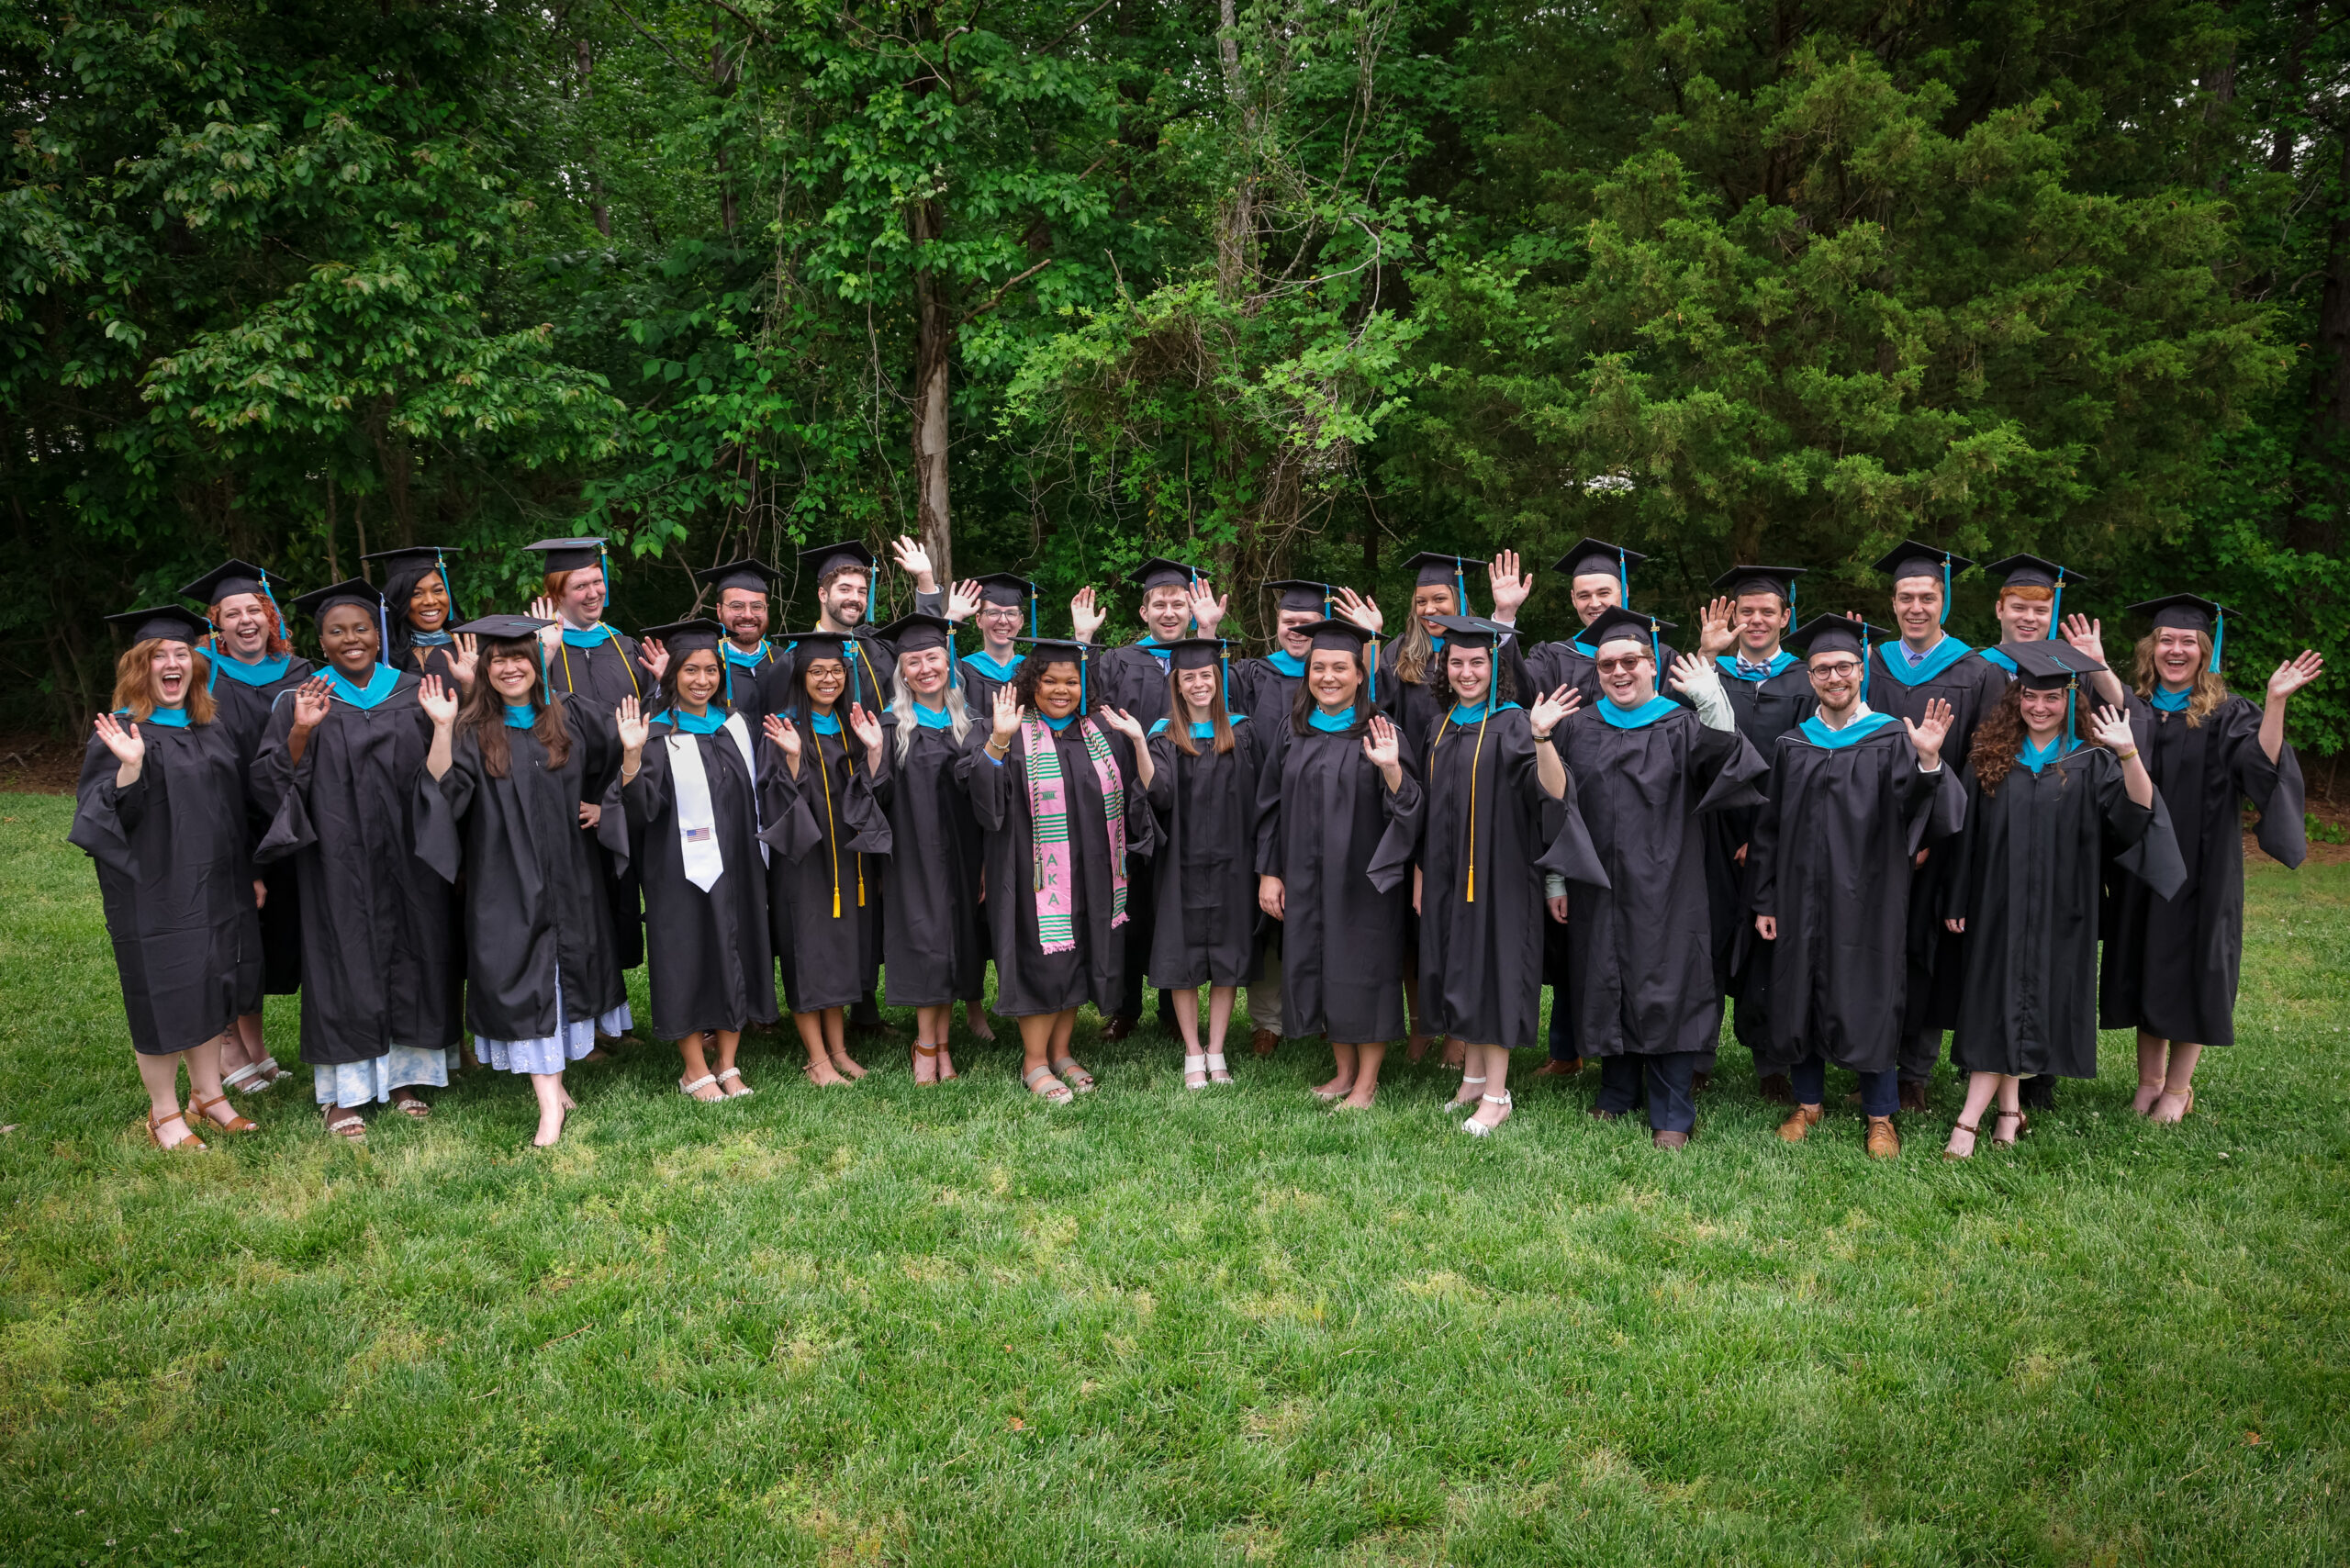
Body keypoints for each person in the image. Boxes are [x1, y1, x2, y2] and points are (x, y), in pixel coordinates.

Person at [1940, 643, 2185, 1157]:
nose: (2040, 707)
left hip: (2063, 907)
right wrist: (1957, 900)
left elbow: (2136, 815)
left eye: (2051, 699)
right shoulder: (1990, 758)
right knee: (1996, 1002)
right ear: (2017, 699)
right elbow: (1966, 839)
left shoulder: (2092, 760)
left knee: (2024, 1005)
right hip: (1995, 904)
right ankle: (1994, 1116)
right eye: (2030, 697)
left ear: (2070, 699)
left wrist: (2128, 752)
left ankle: (1993, 1117)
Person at [2095, 594, 2321, 1122]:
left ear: (2206, 650)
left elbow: (2261, 769)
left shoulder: (2228, 713)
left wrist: (2275, 703)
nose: (2177, 651)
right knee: (2148, 959)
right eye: (2167, 641)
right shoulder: (2138, 708)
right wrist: (2098, 663)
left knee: (2194, 964)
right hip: (2144, 859)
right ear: (2152, 649)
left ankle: (2178, 1089)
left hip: (2204, 864)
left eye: (2189, 643)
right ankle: (2148, 1082)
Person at [252, 579, 462, 1140]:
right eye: (337, 631)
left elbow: (446, 772)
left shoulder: (415, 691)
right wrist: (302, 729)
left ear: (379, 633)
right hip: (336, 858)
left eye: (361, 628)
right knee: (341, 958)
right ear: (320, 640)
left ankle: (404, 1080)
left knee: (414, 951)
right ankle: (341, 1096)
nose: (352, 639)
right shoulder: (304, 699)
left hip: (409, 853)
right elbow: (272, 781)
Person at [1746, 616, 1962, 1158]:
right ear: (1811, 677)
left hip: (1869, 896)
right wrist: (1766, 898)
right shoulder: (1793, 743)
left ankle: (1881, 1115)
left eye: (1844, 666)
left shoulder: (1892, 736)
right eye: (1822, 669)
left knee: (1870, 996)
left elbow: (1925, 813)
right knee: (1800, 993)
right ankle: (1808, 1102)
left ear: (1861, 671)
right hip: (1799, 896)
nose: (1834, 676)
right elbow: (1769, 828)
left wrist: (1930, 760)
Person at [416, 615, 631, 1147]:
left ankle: (553, 1090)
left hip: (570, 873)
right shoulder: (469, 729)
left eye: (519, 658)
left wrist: (608, 804)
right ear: (486, 670)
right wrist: (441, 728)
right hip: (505, 877)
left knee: (560, 977)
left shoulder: (572, 717)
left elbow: (621, 760)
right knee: (527, 978)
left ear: (537, 665)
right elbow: (443, 793)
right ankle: (549, 1105)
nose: (510, 668)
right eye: (498, 660)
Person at [1556, 607, 1767, 1148]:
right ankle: (1618, 1091)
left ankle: (1673, 1109)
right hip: (1598, 882)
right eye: (1607, 666)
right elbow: (1557, 804)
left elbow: (1725, 761)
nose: (1620, 672)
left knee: (1669, 986)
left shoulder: (1680, 725)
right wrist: (1557, 880)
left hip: (1668, 884)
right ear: (1596, 673)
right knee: (1606, 978)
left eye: (1631, 661)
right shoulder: (1579, 728)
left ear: (1652, 665)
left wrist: (1712, 696)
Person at [72, 604, 265, 1149]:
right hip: (154, 889)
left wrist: (249, 871)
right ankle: (164, 1112)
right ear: (139, 667)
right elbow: (98, 820)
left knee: (211, 984)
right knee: (163, 991)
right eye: (160, 656)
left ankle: (209, 1095)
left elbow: (237, 807)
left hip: (218, 883)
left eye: (182, 653)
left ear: (196, 664)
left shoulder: (212, 724)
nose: (173, 663)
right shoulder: (121, 732)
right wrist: (130, 767)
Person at [957, 639, 1158, 1103]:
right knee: (1044, 961)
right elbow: (982, 802)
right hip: (1035, 875)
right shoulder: (1007, 729)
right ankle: (1034, 1061)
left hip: (1091, 872)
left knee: (1077, 957)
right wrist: (1000, 740)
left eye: (1071, 681)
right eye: (1050, 681)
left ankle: (1062, 1051)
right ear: (1032, 684)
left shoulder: (1098, 734)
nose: (1061, 690)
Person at [1410, 616, 1588, 1135]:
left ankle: (1497, 1093)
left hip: (1501, 874)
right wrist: (1423, 873)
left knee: (1493, 972)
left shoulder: (1513, 723)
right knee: (1461, 968)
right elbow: (1429, 810)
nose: (1467, 672)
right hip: (1448, 875)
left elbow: (1554, 793)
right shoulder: (1439, 726)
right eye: (1457, 662)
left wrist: (1542, 738)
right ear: (1444, 667)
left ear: (1496, 666)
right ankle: (1470, 1076)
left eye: (1477, 663)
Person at [1864, 541, 2010, 1109]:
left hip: (1943, 838)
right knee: (1872, 947)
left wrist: (1932, 833)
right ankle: (1868, 1057)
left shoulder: (1977, 671)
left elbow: (1983, 760)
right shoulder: (1869, 664)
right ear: (1893, 603)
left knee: (1925, 953)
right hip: (1872, 837)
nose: (1916, 607)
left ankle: (1915, 1072)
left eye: (1927, 596)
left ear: (1943, 601)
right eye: (1906, 597)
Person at [1254, 620, 1424, 1107]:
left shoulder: (1380, 729)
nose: (1328, 676)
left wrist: (1391, 767)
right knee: (1322, 967)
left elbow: (1411, 808)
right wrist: (1270, 870)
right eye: (1319, 667)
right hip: (1305, 877)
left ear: (1358, 674)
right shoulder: (1295, 728)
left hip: (1363, 878)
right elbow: (1270, 806)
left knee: (1362, 971)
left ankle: (1367, 1083)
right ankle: (1343, 1070)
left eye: (1339, 668)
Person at [1974, 553, 2117, 1109]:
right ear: (2000, 609)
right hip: (1998, 828)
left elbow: (2123, 723)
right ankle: (1994, 1074)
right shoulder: (1977, 667)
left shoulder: (2074, 668)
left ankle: (2038, 1079)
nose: (2030, 617)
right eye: (2019, 607)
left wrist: (2096, 664)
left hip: (2059, 839)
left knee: (2049, 955)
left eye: (2041, 608)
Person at [618, 621, 779, 1101]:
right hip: (678, 871)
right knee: (686, 957)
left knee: (741, 952)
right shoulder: (656, 733)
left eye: (711, 670)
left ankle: (727, 1063)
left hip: (741, 866)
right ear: (673, 676)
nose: (702, 680)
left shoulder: (735, 727)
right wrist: (630, 758)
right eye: (691, 670)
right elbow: (638, 810)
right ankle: (693, 1068)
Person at [1073, 557, 1226, 1039]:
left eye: (1178, 603)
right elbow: (1082, 698)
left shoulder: (1202, 659)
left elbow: (1225, 708)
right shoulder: (1120, 660)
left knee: (1172, 904)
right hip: (1125, 799)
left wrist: (1208, 631)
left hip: (1185, 804)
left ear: (1189, 609)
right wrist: (1084, 642)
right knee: (1130, 902)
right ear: (1143, 613)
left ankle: (1170, 1005)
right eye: (1159, 603)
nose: (1168, 611)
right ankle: (1124, 1007)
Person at [179, 558, 311, 1095]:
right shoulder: (197, 670)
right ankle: (229, 1044)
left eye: (254, 611)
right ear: (216, 622)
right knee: (232, 934)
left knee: (267, 939)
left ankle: (255, 1045)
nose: (245, 621)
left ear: (271, 616)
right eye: (232, 613)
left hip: (287, 821)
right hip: (227, 820)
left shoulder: (301, 672)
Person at [525, 536, 656, 1035]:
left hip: (619, 797)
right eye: (580, 585)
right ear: (556, 592)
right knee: (579, 913)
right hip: (563, 805)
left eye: (597, 582)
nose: (592, 592)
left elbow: (649, 722)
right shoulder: (538, 646)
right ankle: (581, 1024)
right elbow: (524, 719)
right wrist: (546, 655)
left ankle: (609, 1017)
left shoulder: (623, 646)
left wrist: (614, 804)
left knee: (617, 909)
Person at [1700, 566, 1815, 1103]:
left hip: (1778, 831)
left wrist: (1769, 833)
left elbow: (1812, 763)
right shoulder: (1711, 673)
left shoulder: (1804, 680)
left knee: (1772, 947)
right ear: (1732, 617)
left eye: (1768, 611)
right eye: (1747, 611)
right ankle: (1696, 1054)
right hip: (1711, 830)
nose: (1756, 620)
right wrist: (1705, 658)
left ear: (1785, 618)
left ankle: (1772, 1062)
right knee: (1706, 940)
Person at [762, 632, 892, 1086]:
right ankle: (816, 1060)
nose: (828, 679)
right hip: (804, 861)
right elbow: (773, 799)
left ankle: (839, 1050)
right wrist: (795, 761)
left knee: (839, 954)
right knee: (808, 954)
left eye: (836, 671)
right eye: (817, 671)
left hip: (849, 861)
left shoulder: (849, 725)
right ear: (800, 675)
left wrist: (874, 751)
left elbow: (873, 793)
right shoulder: (782, 728)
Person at [869, 613, 989, 1080]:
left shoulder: (970, 724)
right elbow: (874, 797)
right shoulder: (890, 725)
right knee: (925, 943)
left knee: (954, 942)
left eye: (932, 658)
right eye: (913, 661)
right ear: (901, 671)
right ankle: (925, 1047)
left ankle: (941, 1046)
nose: (924, 669)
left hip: (962, 853)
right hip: (912, 855)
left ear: (948, 662)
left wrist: (982, 863)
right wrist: (876, 756)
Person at [1144, 639, 1265, 1089]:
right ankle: (1193, 1052)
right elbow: (1159, 796)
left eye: (1206, 675)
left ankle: (1217, 1049)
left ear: (1219, 678)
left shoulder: (1243, 731)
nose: (1199, 683)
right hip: (1180, 861)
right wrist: (1139, 743)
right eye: (1189, 677)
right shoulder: (1162, 734)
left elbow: (1260, 801)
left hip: (1234, 861)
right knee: (1183, 955)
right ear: (1176, 683)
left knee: (1228, 958)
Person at [1230, 579, 1339, 1059]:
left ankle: (1323, 1015)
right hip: (1262, 812)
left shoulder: (1338, 675)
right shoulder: (1252, 673)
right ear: (1276, 624)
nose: (1298, 629)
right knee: (1268, 922)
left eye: (1308, 623)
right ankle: (1268, 1021)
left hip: (1327, 817)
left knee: (1325, 918)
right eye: (1289, 621)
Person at [696, 556, 789, 729]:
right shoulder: (704, 664)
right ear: (719, 610)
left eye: (757, 606)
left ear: (766, 609)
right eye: (737, 606)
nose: (748, 615)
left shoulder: (784, 660)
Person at [364, 545, 474, 688]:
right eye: (416, 593)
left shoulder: (470, 650)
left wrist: (469, 685)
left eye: (438, 591)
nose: (431, 601)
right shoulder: (380, 654)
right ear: (399, 600)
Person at [939, 572, 1035, 719]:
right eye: (993, 613)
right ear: (979, 620)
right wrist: (953, 616)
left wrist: (1082, 635)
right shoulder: (961, 671)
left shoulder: (1033, 670)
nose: (1003, 620)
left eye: (1011, 613)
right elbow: (930, 654)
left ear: (1021, 621)